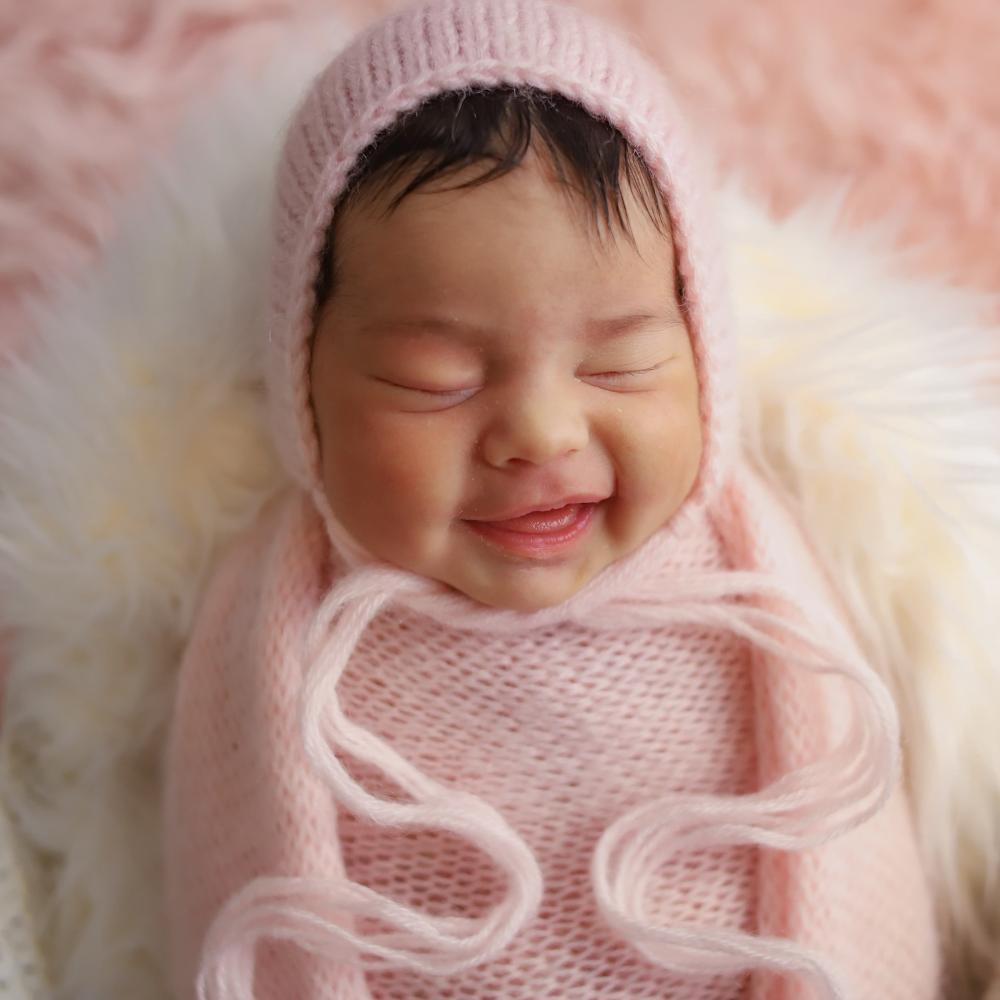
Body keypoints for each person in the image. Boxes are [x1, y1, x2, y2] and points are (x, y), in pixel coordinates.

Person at [163, 1, 940, 997]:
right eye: (435, 379)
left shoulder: (754, 585)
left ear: (704, 353)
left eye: (617, 364)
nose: (540, 431)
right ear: (303, 384)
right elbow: (233, 873)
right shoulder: (281, 625)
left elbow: (852, 873)